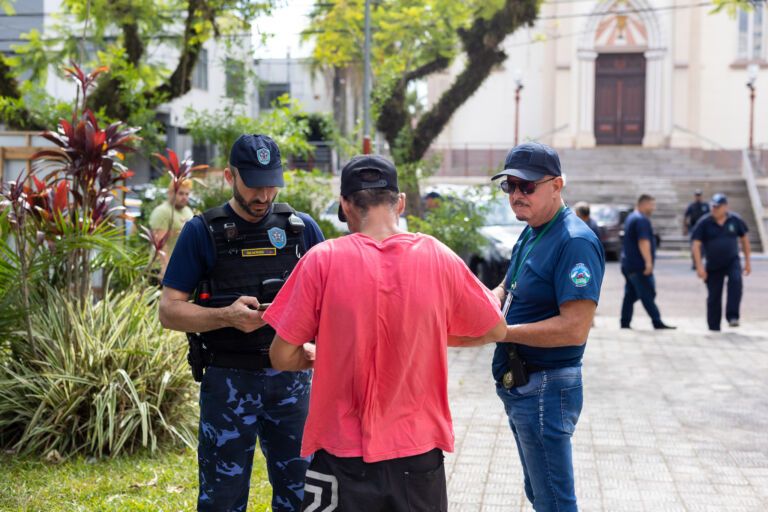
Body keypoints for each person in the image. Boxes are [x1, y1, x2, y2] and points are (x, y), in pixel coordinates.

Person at [264, 154, 507, 511]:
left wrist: (317, 355)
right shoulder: (437, 256)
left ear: (345, 205)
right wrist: (427, 337)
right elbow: (495, 328)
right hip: (417, 452)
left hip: (340, 455)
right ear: (401, 202)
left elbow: (281, 355)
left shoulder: (322, 260)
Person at [158, 134, 325, 511]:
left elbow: (331, 302)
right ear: (229, 176)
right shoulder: (202, 232)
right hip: (229, 383)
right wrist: (225, 317)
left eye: (271, 184)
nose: (264, 196)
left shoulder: (302, 230)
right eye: (253, 184)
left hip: (293, 383)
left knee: (302, 496)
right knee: (222, 498)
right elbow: (168, 311)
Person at [489, 142, 605, 512]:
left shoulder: (574, 241)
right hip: (523, 383)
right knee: (541, 494)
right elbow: (508, 287)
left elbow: (575, 329)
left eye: (527, 186)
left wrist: (503, 333)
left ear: (556, 185)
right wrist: (483, 301)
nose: (517, 196)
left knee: (554, 502)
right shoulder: (532, 229)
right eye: (510, 186)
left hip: (546, 387)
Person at [691, 193, 751, 330]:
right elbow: (696, 244)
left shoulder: (735, 220)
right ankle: (714, 326)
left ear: (725, 207)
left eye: (717, 207)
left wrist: (747, 262)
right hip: (713, 263)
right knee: (714, 295)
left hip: (732, 261)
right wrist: (699, 266)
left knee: (736, 282)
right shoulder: (704, 222)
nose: (714, 209)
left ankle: (732, 316)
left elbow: (745, 240)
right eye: (713, 206)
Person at [619, 194, 676, 330]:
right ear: (643, 204)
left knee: (631, 294)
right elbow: (643, 242)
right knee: (647, 293)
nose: (653, 208)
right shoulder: (641, 220)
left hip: (628, 263)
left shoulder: (632, 217)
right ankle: (656, 321)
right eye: (651, 204)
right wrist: (648, 263)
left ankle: (625, 322)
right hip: (638, 265)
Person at [149, 180, 194, 277]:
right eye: (181, 193)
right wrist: (166, 267)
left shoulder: (188, 211)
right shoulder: (162, 211)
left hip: (180, 267)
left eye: (187, 194)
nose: (184, 197)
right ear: (170, 193)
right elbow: (159, 242)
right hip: (161, 269)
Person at [683, 189, 710, 270]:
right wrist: (685, 228)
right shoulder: (691, 206)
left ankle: (700, 261)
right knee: (694, 245)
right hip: (694, 228)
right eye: (697, 195)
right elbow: (686, 217)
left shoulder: (706, 205)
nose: (698, 197)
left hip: (704, 229)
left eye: (699, 195)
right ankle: (695, 262)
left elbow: (710, 216)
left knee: (703, 247)